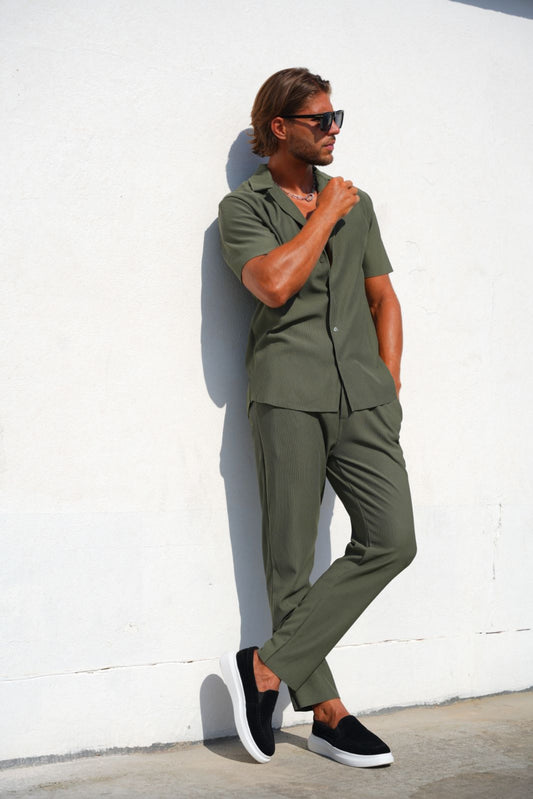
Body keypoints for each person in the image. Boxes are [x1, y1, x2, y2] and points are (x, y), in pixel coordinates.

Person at [217, 67, 417, 768]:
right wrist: (324, 213)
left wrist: (388, 384)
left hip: (363, 398)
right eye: (320, 120)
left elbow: (383, 298)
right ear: (280, 128)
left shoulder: (358, 205)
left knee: (392, 539)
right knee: (290, 560)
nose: (334, 130)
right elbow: (272, 285)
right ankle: (328, 713)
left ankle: (266, 665)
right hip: (288, 395)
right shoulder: (242, 209)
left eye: (337, 118)